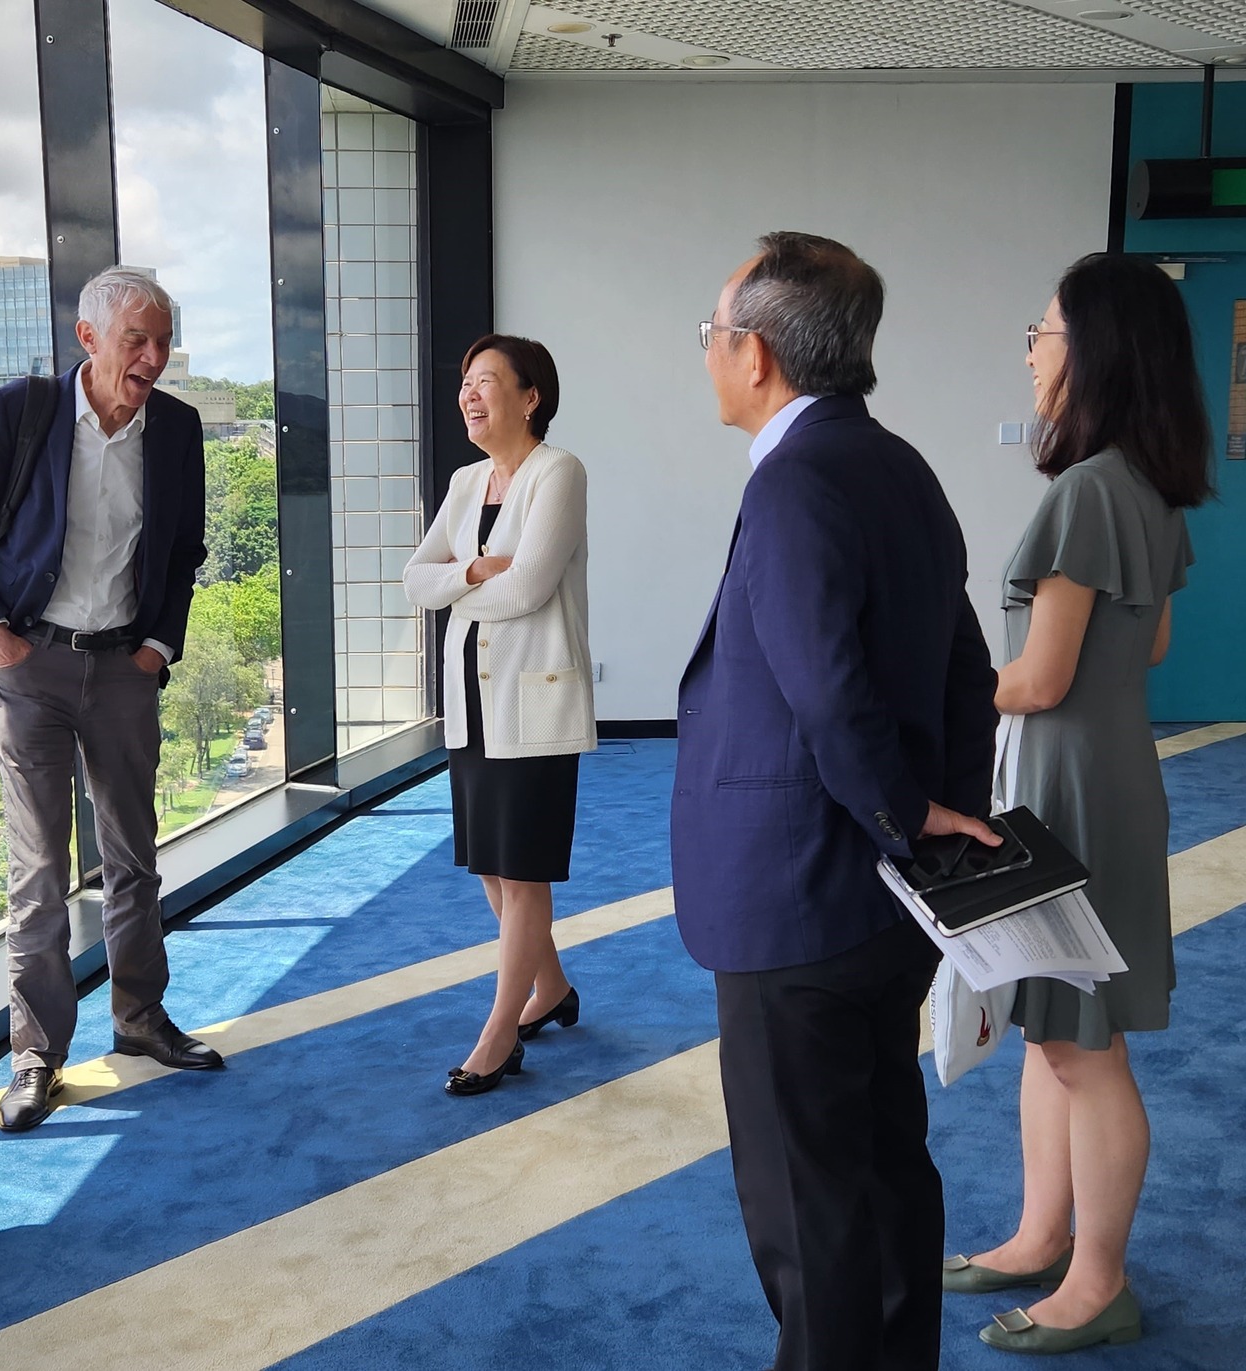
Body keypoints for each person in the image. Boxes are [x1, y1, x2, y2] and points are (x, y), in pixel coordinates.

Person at [674, 231, 1000, 1371]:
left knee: (804, 1198)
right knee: (880, 1156)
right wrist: (940, 820)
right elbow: (963, 663)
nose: (706, 353)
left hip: (795, 893)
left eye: (710, 336)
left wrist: (908, 816)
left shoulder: (795, 481)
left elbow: (823, 685)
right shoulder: (899, 465)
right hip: (878, 894)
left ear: (753, 355)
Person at [943, 254, 1209, 1356]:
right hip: (1104, 776)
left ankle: (1093, 1279)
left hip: (1060, 783)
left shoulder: (1083, 490)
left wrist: (937, 683)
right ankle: (1036, 1237)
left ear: (1090, 352)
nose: (1029, 349)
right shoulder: (1141, 491)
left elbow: (1035, 680)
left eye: (1039, 332)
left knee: (1078, 1047)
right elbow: (1141, 649)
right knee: (1053, 1031)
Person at [0, 267, 218, 1135]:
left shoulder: (177, 429)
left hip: (124, 669)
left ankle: (140, 1018)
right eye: (137, 339)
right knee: (40, 871)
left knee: (133, 855)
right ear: (88, 339)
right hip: (31, 668)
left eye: (163, 339)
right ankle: (36, 1053)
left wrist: (158, 648)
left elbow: (183, 552)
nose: (154, 357)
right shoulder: (23, 413)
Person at [402, 334, 593, 1096]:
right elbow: (415, 580)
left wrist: (457, 586)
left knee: (524, 871)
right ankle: (550, 989)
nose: (469, 395)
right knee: (491, 863)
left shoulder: (559, 472)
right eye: (464, 382)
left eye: (486, 381)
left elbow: (531, 590)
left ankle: (500, 1030)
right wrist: (475, 568)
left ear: (530, 396)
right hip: (472, 701)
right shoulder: (465, 480)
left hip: (534, 699)